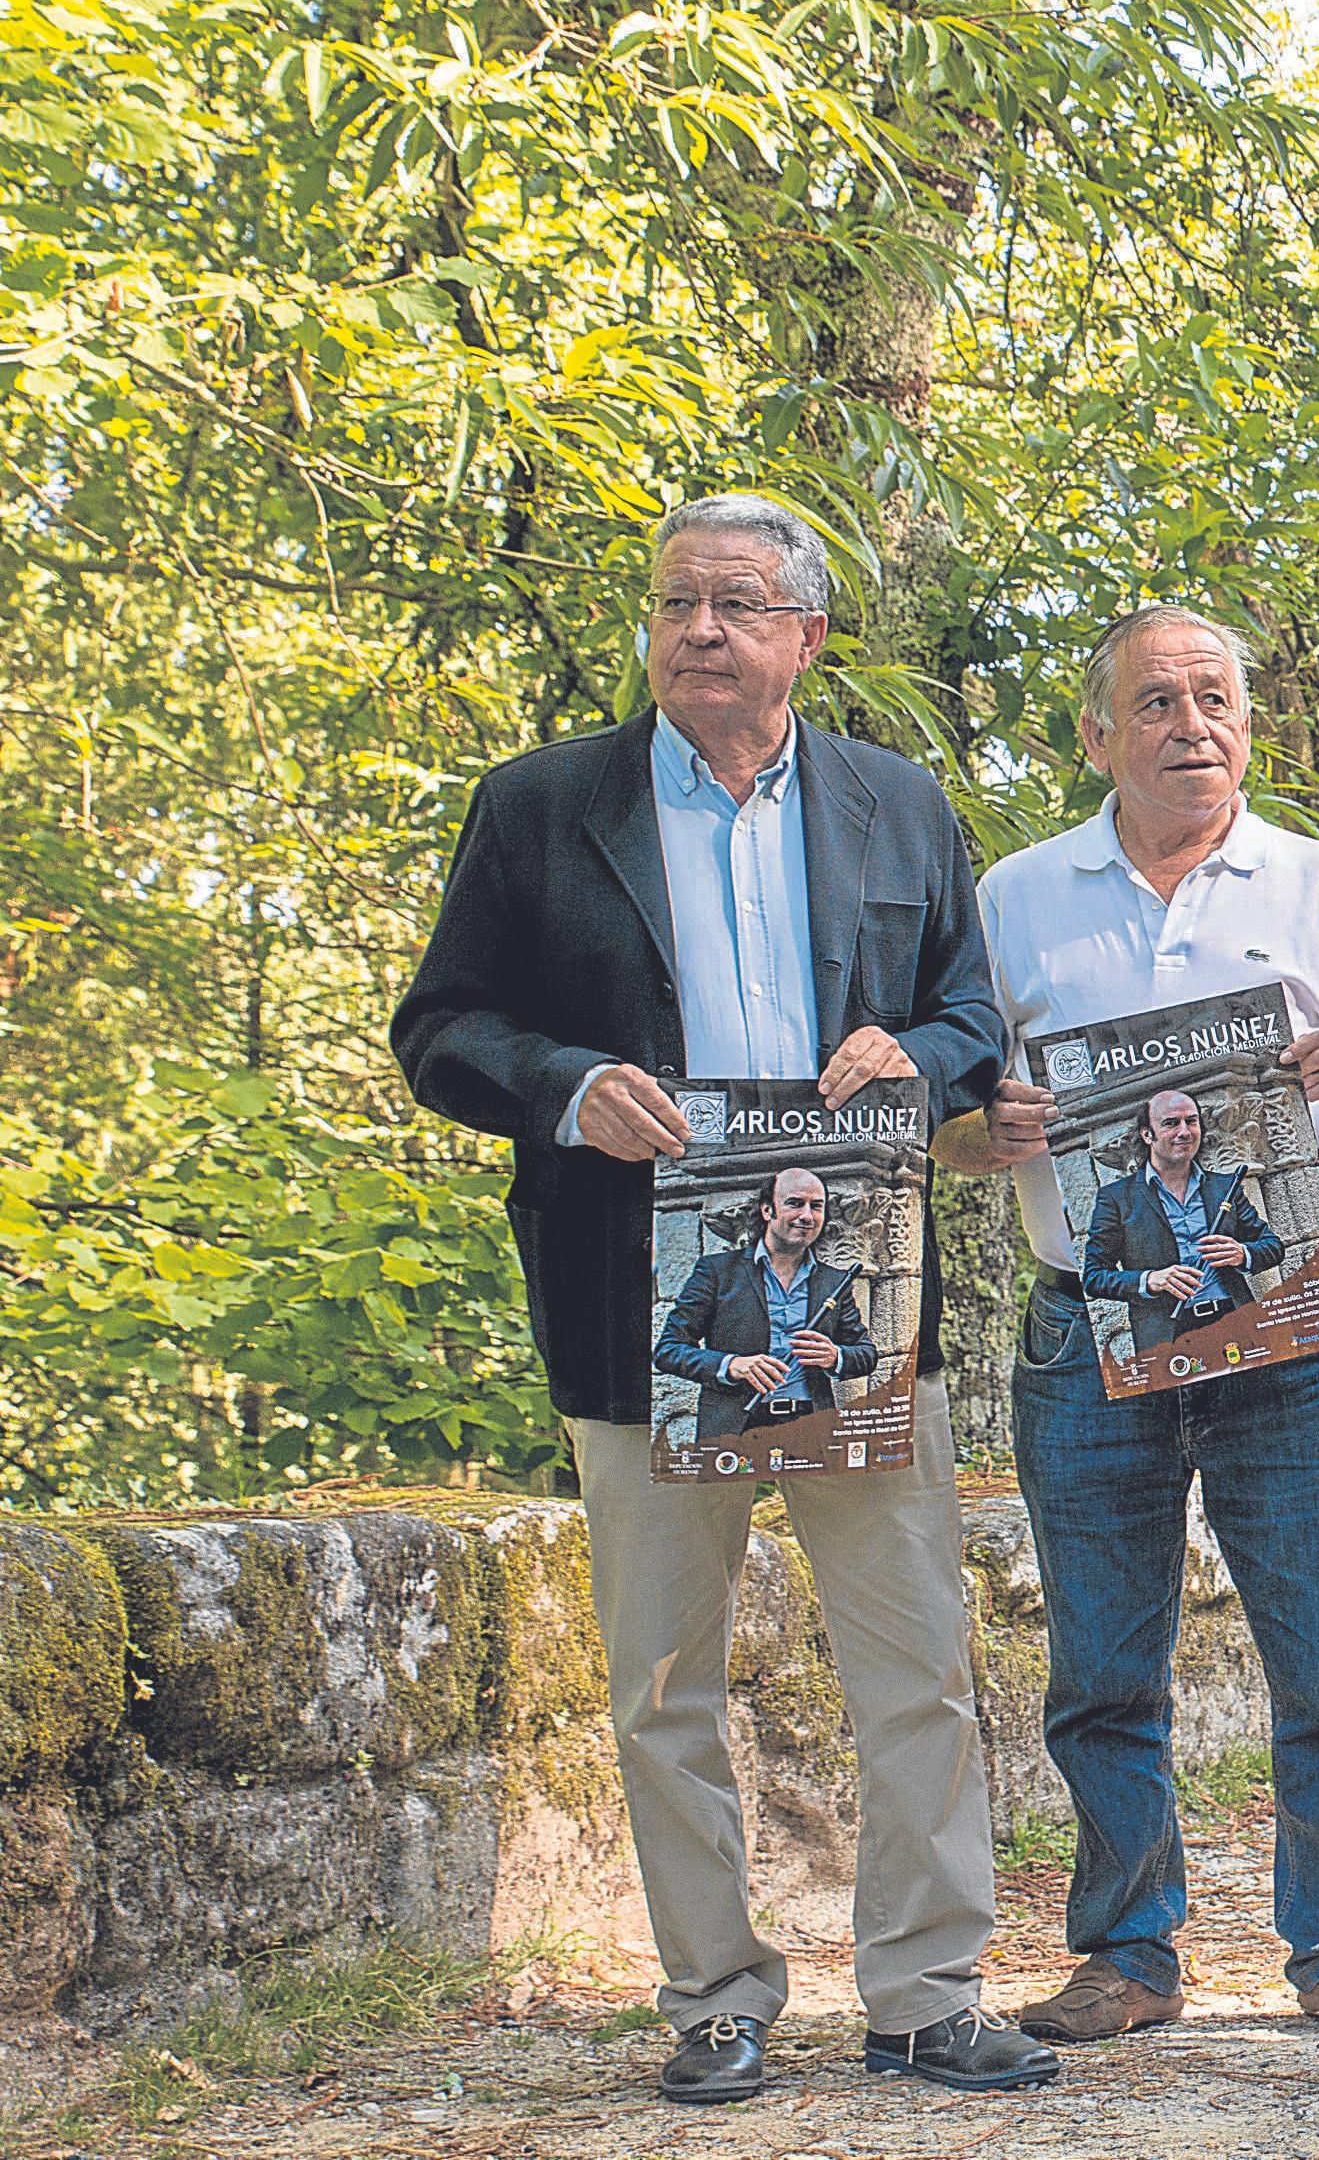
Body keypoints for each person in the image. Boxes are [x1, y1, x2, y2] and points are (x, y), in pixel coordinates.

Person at [390, 492, 1054, 2102]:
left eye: (739, 601)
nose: (701, 627)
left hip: (862, 1299)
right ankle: (713, 1993)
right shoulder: (543, 805)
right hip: (643, 1312)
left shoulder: (899, 804)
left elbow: (968, 1006)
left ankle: (924, 1988)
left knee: (916, 1664)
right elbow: (442, 1027)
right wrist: (562, 1080)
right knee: (664, 1677)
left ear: (806, 637)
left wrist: (922, 1052)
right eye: (678, 599)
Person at [946, 604, 1319, 2045]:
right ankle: (1130, 1946)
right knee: (1101, 1658)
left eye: (1215, 696)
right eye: (1154, 701)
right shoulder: (1012, 897)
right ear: (1096, 735)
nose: (1191, 724)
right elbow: (951, 1124)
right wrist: (986, 1123)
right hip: (1084, 1330)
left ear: (1249, 724)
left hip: (1288, 1319)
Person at [652, 1167, 881, 1442]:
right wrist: (731, 1364)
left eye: (816, 1207)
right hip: (734, 1428)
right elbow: (668, 1350)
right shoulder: (717, 1271)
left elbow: (866, 1354)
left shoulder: (834, 1281)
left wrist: (835, 1356)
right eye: (795, 1204)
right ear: (767, 1211)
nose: (807, 1216)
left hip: (811, 1426)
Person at [1080, 1089, 1279, 1347]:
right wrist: (1150, 1280)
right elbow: (1094, 1277)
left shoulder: (1223, 1187)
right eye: (1171, 1123)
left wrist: (1242, 1253)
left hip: (1237, 1321)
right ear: (1147, 1134)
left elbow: (1272, 1246)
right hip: (1168, 1337)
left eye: (1191, 1121)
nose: (1184, 1132)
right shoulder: (1116, 1198)